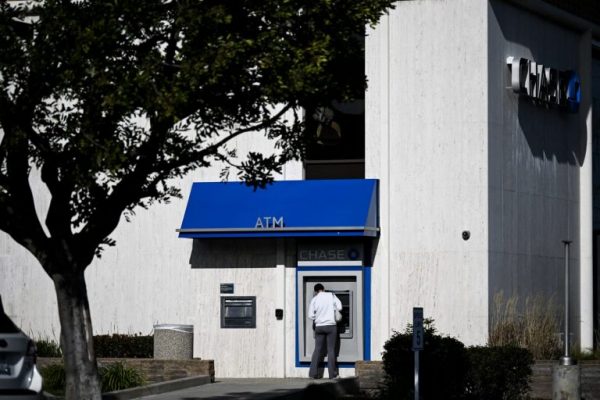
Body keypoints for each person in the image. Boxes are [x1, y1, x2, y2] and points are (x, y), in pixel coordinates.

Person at [308, 283, 342, 379]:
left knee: (317, 350)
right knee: (331, 350)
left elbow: (310, 315)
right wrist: (332, 309)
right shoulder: (331, 295)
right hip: (331, 326)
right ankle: (332, 375)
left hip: (319, 327)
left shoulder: (314, 299)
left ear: (315, 291)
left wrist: (318, 317)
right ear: (323, 289)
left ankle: (312, 374)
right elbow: (340, 307)